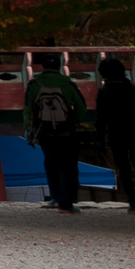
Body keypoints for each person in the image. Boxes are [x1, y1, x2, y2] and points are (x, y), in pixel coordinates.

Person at [25, 53, 86, 212]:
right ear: (59, 67)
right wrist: (77, 121)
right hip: (67, 132)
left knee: (50, 162)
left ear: (42, 67)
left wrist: (29, 130)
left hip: (45, 132)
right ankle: (67, 203)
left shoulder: (34, 84)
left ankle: (55, 198)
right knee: (69, 166)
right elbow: (81, 106)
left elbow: (28, 109)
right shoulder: (68, 83)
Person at [96, 57, 135, 214]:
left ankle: (132, 203)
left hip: (117, 134)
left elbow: (101, 118)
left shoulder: (104, 92)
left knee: (123, 168)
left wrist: (101, 138)